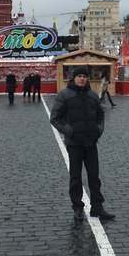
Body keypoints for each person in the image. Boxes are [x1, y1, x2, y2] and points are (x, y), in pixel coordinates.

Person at [50, 66, 114, 221]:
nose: (82, 78)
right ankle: (77, 207)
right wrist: (70, 131)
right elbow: (55, 118)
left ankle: (97, 207)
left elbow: (100, 115)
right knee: (75, 177)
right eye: (79, 76)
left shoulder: (92, 95)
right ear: (73, 78)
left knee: (94, 176)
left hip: (91, 142)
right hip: (74, 143)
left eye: (84, 76)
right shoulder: (64, 95)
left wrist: (98, 130)